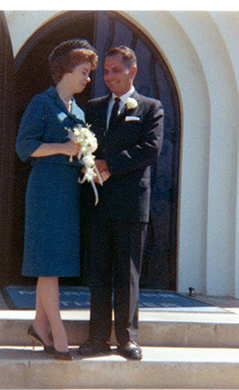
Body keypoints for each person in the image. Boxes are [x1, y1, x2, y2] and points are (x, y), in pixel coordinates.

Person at [79, 46, 164, 360]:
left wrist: (109, 166)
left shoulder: (150, 107)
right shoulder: (93, 107)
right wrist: (91, 166)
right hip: (99, 203)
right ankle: (97, 338)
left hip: (130, 204)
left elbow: (150, 149)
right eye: (106, 71)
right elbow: (82, 144)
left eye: (117, 70)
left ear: (133, 71)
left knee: (127, 274)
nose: (110, 77)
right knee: (98, 272)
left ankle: (127, 340)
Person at [15, 39, 98, 360]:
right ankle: (58, 332)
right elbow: (24, 146)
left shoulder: (77, 111)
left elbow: (78, 156)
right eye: (84, 71)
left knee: (53, 262)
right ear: (65, 70)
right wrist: (62, 148)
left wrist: (89, 165)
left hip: (67, 192)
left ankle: (39, 324)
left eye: (89, 73)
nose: (88, 78)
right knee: (48, 265)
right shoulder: (41, 103)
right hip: (45, 190)